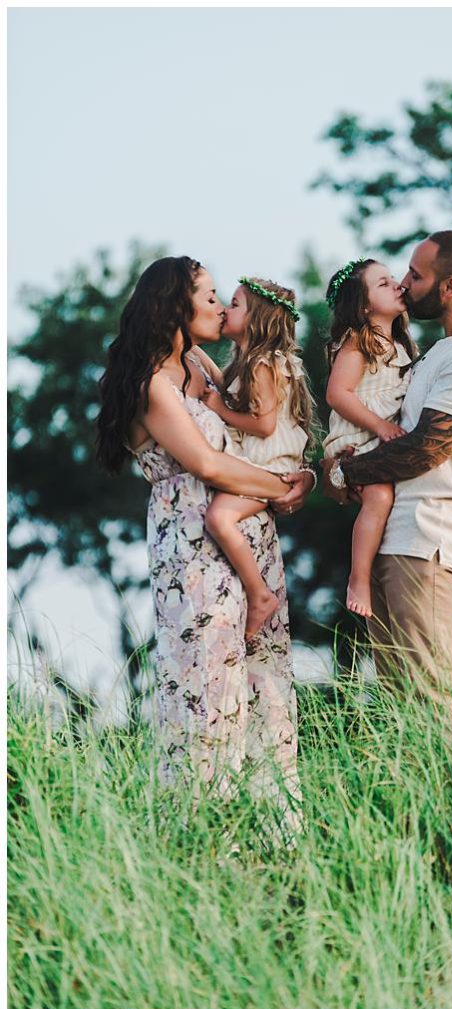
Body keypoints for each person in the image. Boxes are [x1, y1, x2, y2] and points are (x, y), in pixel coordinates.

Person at [95, 256, 314, 840]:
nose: (220, 307)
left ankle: (275, 843)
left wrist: (302, 475)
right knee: (206, 688)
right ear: (175, 307)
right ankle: (205, 843)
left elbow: (252, 431)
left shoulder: (198, 363)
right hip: (193, 550)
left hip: (248, 539)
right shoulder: (151, 385)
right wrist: (282, 489)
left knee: (265, 688)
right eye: (210, 296)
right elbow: (208, 462)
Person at [323, 230, 452, 721]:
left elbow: (425, 448)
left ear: (449, 287)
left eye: (416, 275)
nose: (405, 284)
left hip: (429, 541)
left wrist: (344, 474)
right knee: (402, 710)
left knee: (431, 703)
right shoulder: (438, 351)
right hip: (398, 537)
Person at [197, 276, 315, 641]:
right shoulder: (247, 363)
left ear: (257, 318)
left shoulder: (263, 364)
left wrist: (219, 410)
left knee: (219, 517)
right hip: (260, 465)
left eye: (234, 304)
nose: (225, 310)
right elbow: (221, 386)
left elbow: (263, 425)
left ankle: (258, 592)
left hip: (270, 466)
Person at [322, 259, 416, 617]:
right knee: (379, 496)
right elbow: (338, 394)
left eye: (394, 279)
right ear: (363, 306)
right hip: (358, 435)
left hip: (379, 436)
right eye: (383, 283)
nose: (396, 285)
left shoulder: (401, 346)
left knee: (386, 497)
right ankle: (358, 578)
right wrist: (379, 426)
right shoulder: (358, 343)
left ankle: (373, 570)